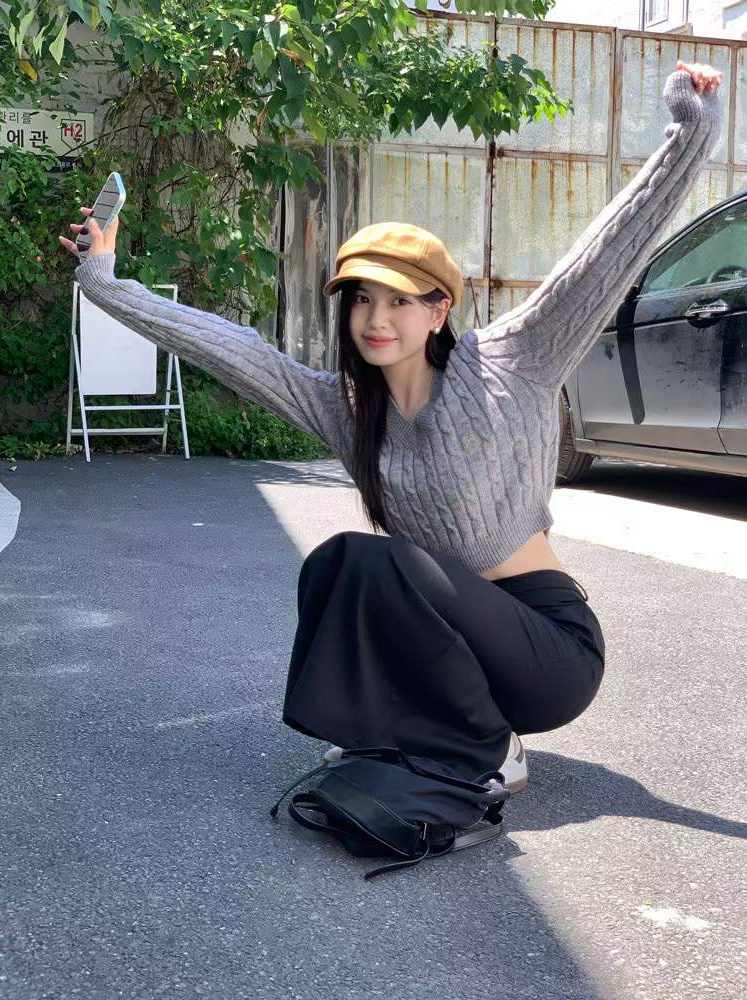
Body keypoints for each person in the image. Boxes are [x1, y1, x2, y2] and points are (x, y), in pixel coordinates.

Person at [61, 61, 723, 789]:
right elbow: (231, 349)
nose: (375, 318)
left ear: (439, 311)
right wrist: (104, 282)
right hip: (456, 639)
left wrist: (690, 131)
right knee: (336, 565)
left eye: (400, 300)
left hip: (548, 648)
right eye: (361, 299)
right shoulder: (348, 408)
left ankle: (485, 745)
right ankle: (390, 733)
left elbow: (605, 257)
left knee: (374, 561)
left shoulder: (511, 362)